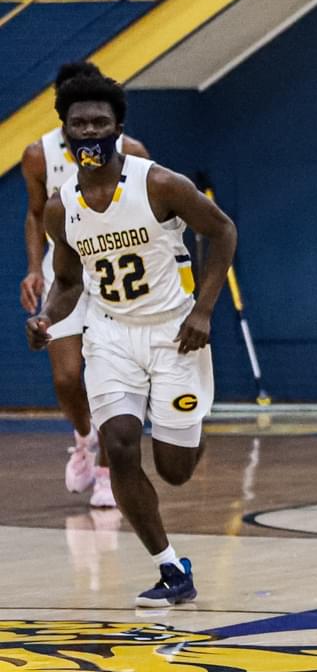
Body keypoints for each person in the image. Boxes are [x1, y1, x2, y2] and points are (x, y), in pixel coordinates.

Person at [26, 69, 238, 607]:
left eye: (100, 121)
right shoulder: (60, 207)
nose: (90, 130)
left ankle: (188, 430)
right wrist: (48, 317)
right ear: (66, 133)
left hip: (175, 334)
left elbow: (223, 231)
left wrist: (205, 311)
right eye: (80, 123)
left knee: (175, 469)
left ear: (117, 127)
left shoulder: (159, 184)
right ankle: (170, 570)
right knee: (119, 445)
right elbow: (70, 281)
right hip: (112, 335)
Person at [19, 61, 158, 508]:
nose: (87, 125)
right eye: (76, 115)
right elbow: (36, 213)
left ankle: (104, 473)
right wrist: (33, 268)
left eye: (96, 115)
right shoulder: (38, 154)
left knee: (104, 377)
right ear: (63, 114)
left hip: (111, 275)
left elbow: (150, 213)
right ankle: (84, 439)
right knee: (65, 376)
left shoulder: (132, 150)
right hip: (64, 272)